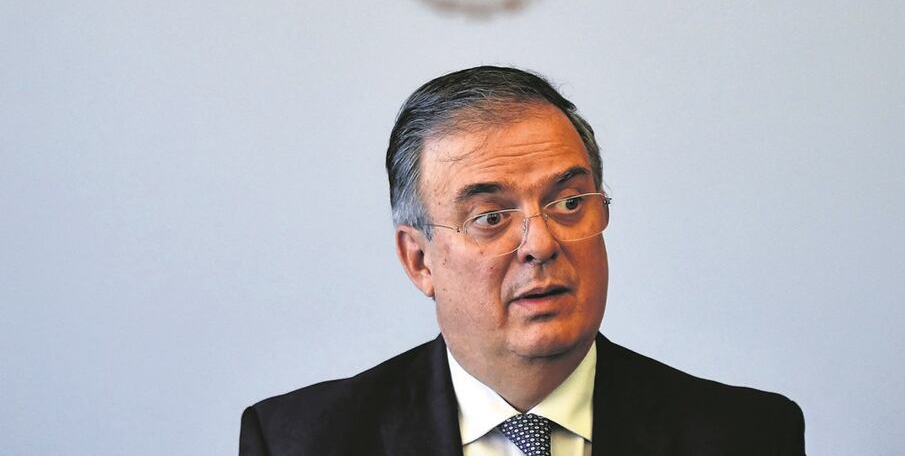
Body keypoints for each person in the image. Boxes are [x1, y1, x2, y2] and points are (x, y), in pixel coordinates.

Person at [239, 66, 805, 455]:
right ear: (419, 261)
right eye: (490, 217)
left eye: (568, 203)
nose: (540, 244)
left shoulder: (745, 435)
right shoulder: (301, 442)